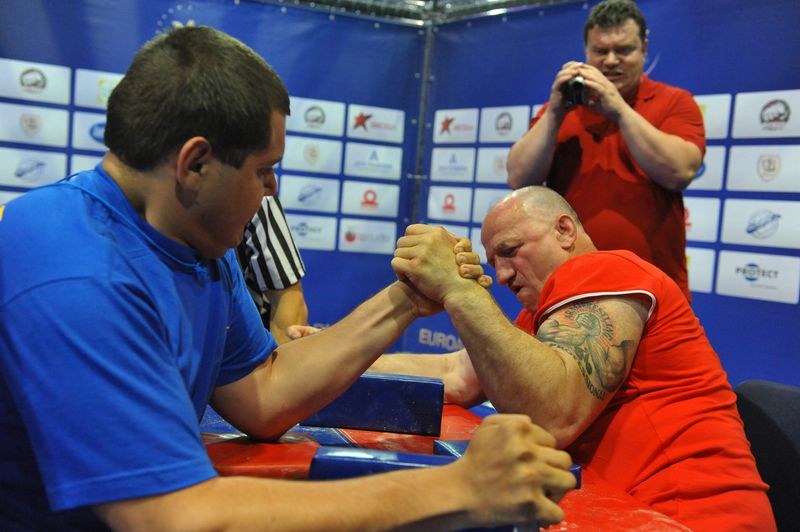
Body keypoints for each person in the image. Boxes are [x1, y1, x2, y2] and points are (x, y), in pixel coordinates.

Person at [0, 26, 575, 530]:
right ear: (195, 164)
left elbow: (263, 395)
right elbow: (171, 516)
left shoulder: (195, 239)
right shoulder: (77, 271)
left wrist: (405, 300)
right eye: (263, 169)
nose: (272, 189)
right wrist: (457, 488)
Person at [368, 186, 775, 530]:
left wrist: (461, 292)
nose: (504, 275)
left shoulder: (605, 271)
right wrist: (332, 349)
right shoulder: (541, 313)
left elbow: (554, 414)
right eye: (494, 262)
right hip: (621, 511)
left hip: (688, 517)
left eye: (511, 251)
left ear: (564, 231)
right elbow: (455, 374)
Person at [506, 0, 704, 300]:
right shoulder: (558, 109)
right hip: (573, 285)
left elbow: (680, 172)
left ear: (644, 48)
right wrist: (554, 114)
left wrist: (619, 110)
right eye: (600, 51)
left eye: (624, 50)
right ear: (586, 52)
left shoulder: (675, 102)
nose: (611, 61)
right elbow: (518, 178)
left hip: (654, 289)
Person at [237, 195, 309, 344]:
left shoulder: (258, 195)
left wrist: (281, 366)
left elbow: (289, 300)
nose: (272, 185)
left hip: (244, 353)